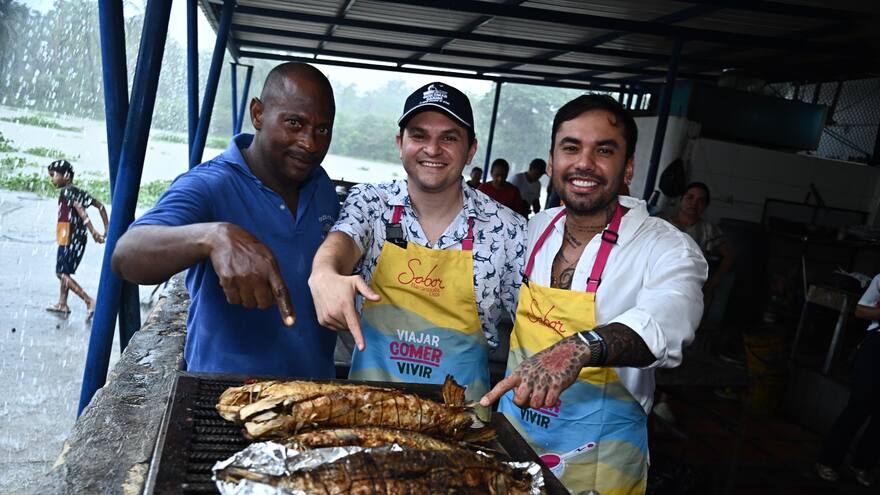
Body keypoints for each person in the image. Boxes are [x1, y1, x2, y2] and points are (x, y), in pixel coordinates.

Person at [480, 94, 707, 494]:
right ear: (553, 161)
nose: (584, 163)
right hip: (513, 444)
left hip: (600, 465)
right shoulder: (533, 230)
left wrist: (578, 349)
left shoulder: (666, 248)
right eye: (571, 148)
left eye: (603, 150)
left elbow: (667, 321)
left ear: (628, 166)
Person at [111, 62, 340, 378]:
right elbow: (126, 254)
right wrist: (212, 237)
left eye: (322, 130)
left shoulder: (322, 184)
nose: (309, 143)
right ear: (258, 114)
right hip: (225, 393)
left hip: (316, 393)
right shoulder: (210, 185)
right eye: (294, 123)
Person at [309, 82, 526, 410]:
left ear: (471, 150)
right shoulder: (372, 202)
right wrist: (324, 272)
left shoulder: (509, 230)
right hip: (369, 416)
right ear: (401, 143)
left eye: (449, 138)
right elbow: (343, 240)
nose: (433, 149)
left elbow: (535, 324)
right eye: (419, 135)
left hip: (460, 422)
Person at [815, 273, 880, 488]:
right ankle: (828, 460)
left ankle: (863, 465)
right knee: (860, 404)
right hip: (876, 347)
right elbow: (860, 310)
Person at [46, 159, 108, 318]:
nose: (52, 179)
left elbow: (80, 210)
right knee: (64, 271)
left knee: (61, 273)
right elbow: (101, 206)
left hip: (69, 236)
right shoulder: (78, 191)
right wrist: (107, 228)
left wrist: (94, 231)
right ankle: (62, 304)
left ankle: (89, 300)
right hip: (75, 236)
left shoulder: (66, 191)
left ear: (66, 176)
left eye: (53, 175)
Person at [664, 182, 735, 310]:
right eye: (690, 197)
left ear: (705, 207)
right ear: (681, 200)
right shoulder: (662, 223)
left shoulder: (709, 230)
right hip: (659, 279)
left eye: (701, 201)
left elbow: (729, 256)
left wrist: (712, 283)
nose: (694, 203)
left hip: (690, 288)